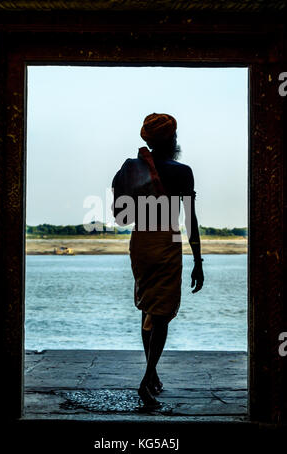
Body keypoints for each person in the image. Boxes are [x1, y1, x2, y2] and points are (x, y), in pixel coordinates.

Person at [112, 113, 204, 409]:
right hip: (166, 241)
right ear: (171, 139)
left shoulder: (132, 168)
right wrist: (198, 259)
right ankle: (147, 377)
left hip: (140, 242)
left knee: (147, 307)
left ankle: (152, 377)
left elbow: (121, 216)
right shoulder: (182, 171)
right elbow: (189, 218)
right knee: (161, 313)